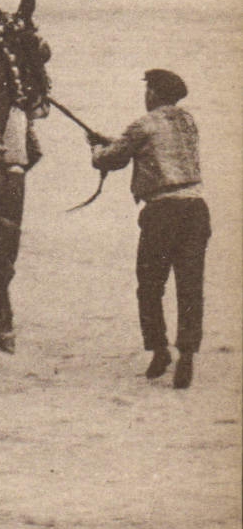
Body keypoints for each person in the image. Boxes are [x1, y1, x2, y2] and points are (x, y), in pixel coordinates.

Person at [90, 69, 209, 388]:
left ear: (154, 93)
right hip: (196, 210)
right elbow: (155, 149)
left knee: (150, 285)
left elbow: (111, 160)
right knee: (190, 286)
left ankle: (159, 349)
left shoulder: (143, 124)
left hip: (161, 213)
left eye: (148, 91)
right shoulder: (188, 121)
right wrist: (115, 144)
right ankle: (187, 355)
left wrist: (96, 148)